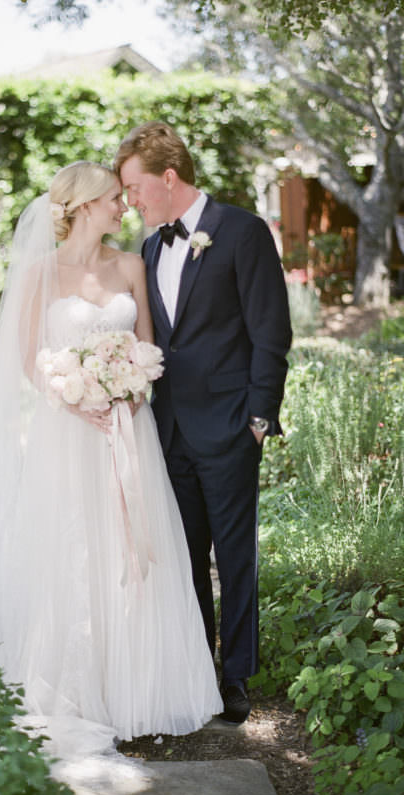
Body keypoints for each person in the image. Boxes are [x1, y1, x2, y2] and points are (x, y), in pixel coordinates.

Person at [0, 161, 222, 767]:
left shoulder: (131, 265)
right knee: (71, 548)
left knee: (133, 550)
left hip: (129, 431)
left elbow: (149, 348)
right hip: (67, 434)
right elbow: (27, 358)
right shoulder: (39, 273)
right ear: (82, 206)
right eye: (112, 198)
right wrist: (76, 398)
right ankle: (75, 685)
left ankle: (138, 691)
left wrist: (127, 390)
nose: (123, 206)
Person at [115, 123, 292, 724]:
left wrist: (259, 418)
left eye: (136, 188)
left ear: (169, 178)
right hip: (167, 433)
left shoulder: (243, 231)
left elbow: (271, 333)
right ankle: (197, 674)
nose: (131, 201)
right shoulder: (146, 249)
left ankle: (237, 676)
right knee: (184, 558)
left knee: (235, 558)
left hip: (230, 427)